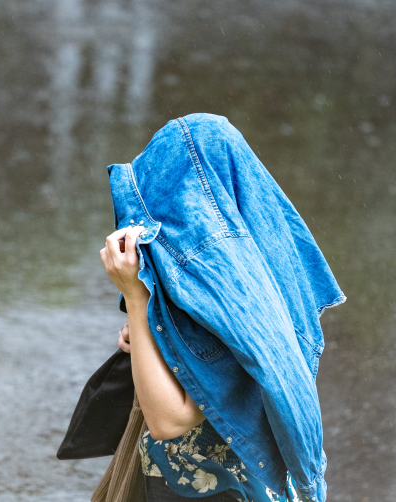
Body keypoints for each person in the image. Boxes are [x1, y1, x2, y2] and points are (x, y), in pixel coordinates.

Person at [99, 113, 345, 502]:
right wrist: (149, 332)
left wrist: (135, 295)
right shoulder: (263, 270)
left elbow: (169, 420)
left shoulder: (230, 296)